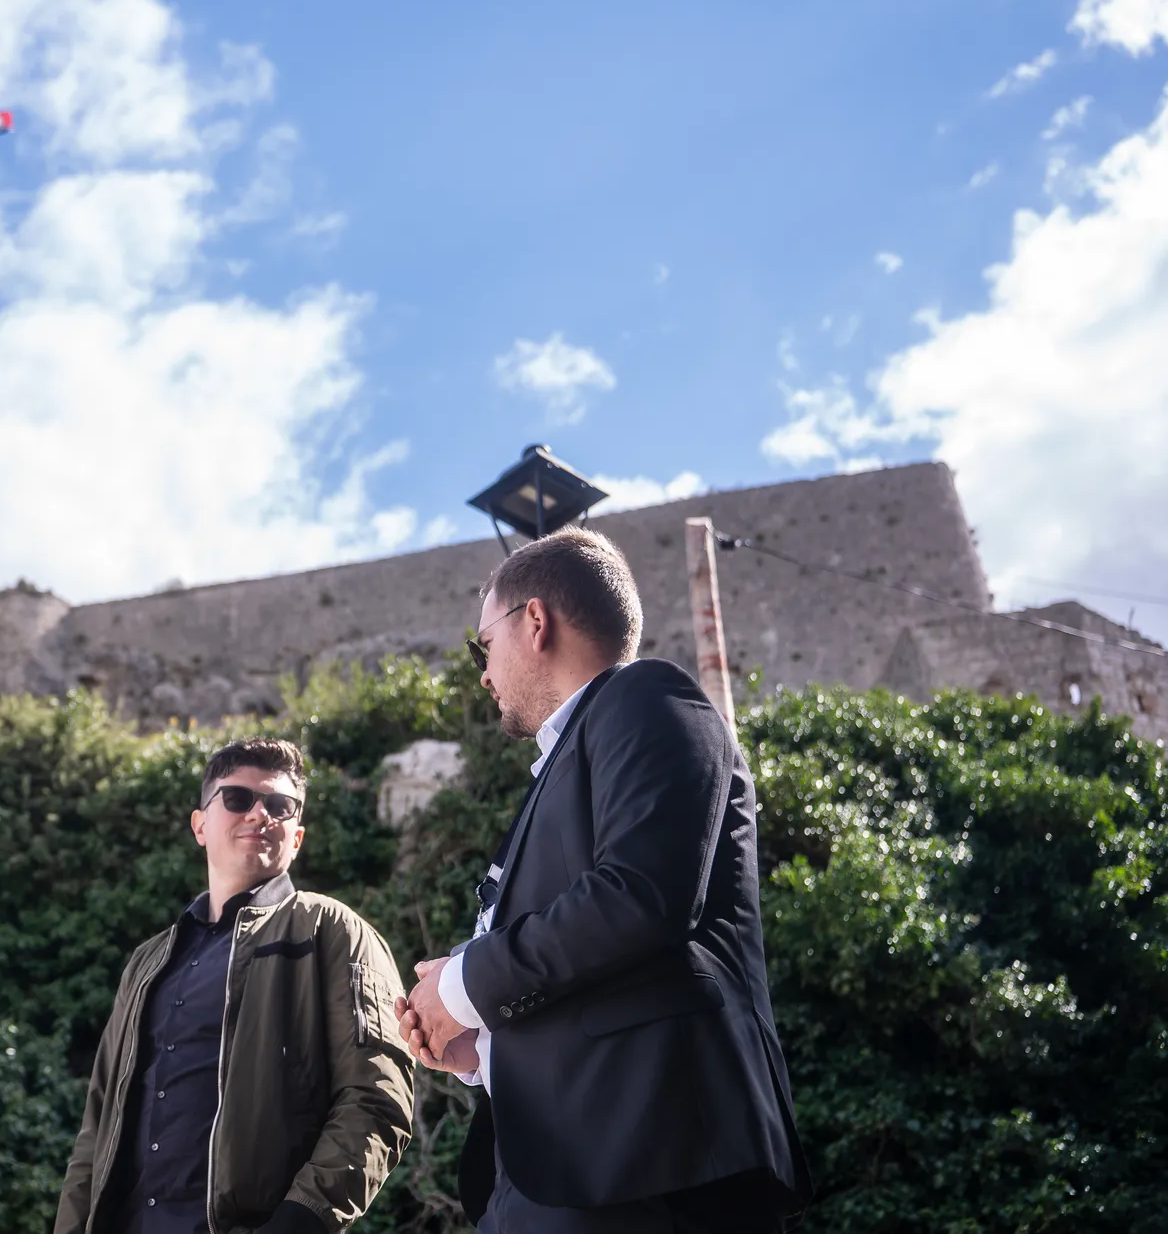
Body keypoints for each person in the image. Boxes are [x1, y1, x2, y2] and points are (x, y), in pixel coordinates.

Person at [396, 527, 811, 1233]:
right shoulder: (566, 760)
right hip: (554, 1171)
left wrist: (465, 983)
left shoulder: (647, 694)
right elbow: (590, 964)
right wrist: (481, 1043)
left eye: (481, 645)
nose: (482, 672)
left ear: (534, 621)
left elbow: (641, 894)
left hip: (649, 1159)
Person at [53, 737, 414, 1234]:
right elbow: (96, 1131)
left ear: (297, 836)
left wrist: (298, 1222)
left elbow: (376, 1099)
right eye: (238, 799)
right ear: (200, 825)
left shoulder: (331, 932)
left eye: (280, 806)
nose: (260, 813)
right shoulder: (148, 962)